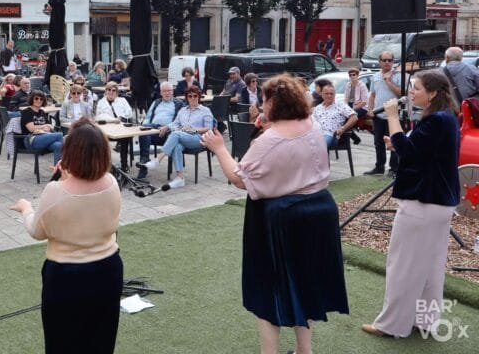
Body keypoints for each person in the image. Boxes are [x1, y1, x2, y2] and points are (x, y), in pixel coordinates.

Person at [201, 74, 349, 354]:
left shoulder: (270, 140)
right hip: (319, 211)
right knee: (304, 282)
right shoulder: (311, 124)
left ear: (275, 104)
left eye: (265, 99)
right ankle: (305, 350)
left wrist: (219, 148)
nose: (260, 103)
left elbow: (239, 177)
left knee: (269, 290)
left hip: (284, 218)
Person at [10, 118, 122, 354]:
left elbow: (36, 231)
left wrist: (25, 208)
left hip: (66, 277)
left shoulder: (55, 191)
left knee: (62, 342)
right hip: (108, 269)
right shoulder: (111, 183)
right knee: (101, 339)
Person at [362, 70, 460, 338]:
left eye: (416, 88)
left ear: (433, 93)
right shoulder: (445, 118)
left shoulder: (437, 120)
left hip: (423, 202)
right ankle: (425, 321)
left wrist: (392, 118)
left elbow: (408, 150)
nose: (411, 92)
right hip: (438, 202)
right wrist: (399, 142)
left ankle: (390, 325)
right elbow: (419, 150)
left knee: (403, 265)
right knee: (430, 267)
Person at [137, 86, 214, 190]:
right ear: (187, 97)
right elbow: (175, 123)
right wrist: (167, 126)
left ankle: (157, 161)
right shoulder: (183, 110)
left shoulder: (205, 110)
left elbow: (209, 128)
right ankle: (180, 178)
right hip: (183, 136)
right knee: (177, 145)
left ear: (199, 97)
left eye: (195, 96)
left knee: (176, 134)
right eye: (190, 96)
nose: (192, 98)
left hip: (198, 138)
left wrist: (193, 129)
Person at [136, 82, 183, 180]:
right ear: (161, 92)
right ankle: (144, 161)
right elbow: (148, 117)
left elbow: (180, 122)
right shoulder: (156, 102)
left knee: (145, 131)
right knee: (144, 131)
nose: (167, 93)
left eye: (169, 91)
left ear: (172, 92)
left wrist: (168, 127)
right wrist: (144, 125)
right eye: (164, 91)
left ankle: (144, 164)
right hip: (153, 129)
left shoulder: (179, 104)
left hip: (167, 133)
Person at [365, 50, 401, 176]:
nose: (387, 63)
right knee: (378, 142)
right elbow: (372, 95)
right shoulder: (375, 76)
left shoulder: (398, 75)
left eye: (389, 60)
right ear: (379, 62)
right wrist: (370, 109)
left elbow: (401, 94)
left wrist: (389, 82)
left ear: (393, 62)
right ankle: (379, 166)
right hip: (378, 114)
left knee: (394, 142)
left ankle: (394, 169)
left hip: (393, 115)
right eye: (384, 60)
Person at [20, 90, 64, 164]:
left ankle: (57, 171)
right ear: (32, 99)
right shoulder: (26, 112)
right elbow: (31, 128)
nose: (39, 100)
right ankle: (66, 166)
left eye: (41, 99)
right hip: (32, 139)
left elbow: (51, 127)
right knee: (60, 135)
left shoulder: (42, 112)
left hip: (45, 137)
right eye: (36, 98)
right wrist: (45, 126)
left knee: (58, 145)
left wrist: (43, 127)